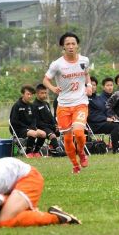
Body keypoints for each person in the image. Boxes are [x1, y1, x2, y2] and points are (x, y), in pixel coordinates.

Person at [43, 32, 92, 174]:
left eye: (73, 43)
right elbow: (45, 79)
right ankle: (75, 165)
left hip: (81, 102)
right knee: (68, 139)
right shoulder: (57, 64)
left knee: (78, 131)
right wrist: (53, 88)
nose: (71, 46)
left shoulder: (84, 60)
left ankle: (81, 152)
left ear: (77, 46)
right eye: (67, 44)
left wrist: (88, 86)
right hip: (63, 105)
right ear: (63, 47)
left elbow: (86, 74)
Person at [88, 77, 119, 153]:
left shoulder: (98, 98)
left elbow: (105, 111)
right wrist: (105, 118)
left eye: (94, 85)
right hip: (94, 124)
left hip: (103, 122)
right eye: (90, 85)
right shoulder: (85, 100)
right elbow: (90, 116)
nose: (92, 87)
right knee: (114, 126)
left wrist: (111, 116)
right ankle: (115, 149)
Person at [9, 85, 46, 157]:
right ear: (23, 94)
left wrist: (32, 126)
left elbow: (34, 119)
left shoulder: (31, 106)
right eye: (28, 94)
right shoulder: (17, 105)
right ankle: (28, 152)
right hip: (18, 129)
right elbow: (14, 121)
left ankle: (36, 152)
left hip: (29, 128)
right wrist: (27, 128)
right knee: (33, 133)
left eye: (31, 94)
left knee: (43, 134)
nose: (29, 96)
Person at [32, 84, 63, 155]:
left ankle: (61, 148)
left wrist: (56, 125)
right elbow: (38, 122)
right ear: (37, 94)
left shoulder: (46, 103)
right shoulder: (34, 105)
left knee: (64, 132)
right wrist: (51, 127)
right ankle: (59, 151)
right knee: (52, 135)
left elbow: (51, 117)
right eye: (42, 93)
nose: (44, 95)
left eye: (45, 93)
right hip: (41, 128)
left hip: (50, 127)